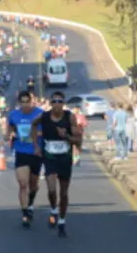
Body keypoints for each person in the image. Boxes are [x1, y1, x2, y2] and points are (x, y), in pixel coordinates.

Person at [31, 91, 82, 237]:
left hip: (65, 158)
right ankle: (54, 209)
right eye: (55, 101)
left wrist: (65, 136)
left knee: (64, 193)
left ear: (63, 103)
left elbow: (77, 140)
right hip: (50, 157)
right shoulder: (44, 116)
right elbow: (33, 126)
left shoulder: (69, 117)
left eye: (60, 101)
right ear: (51, 103)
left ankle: (62, 221)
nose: (58, 104)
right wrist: (36, 145)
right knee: (52, 189)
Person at [6, 90, 44, 227]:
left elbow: (47, 129)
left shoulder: (40, 114)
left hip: (36, 152)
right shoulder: (14, 115)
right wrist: (8, 134)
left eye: (27, 102)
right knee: (23, 184)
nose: (25, 105)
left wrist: (35, 133)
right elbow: (10, 125)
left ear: (31, 101)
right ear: (19, 103)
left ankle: (30, 204)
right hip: (21, 152)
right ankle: (25, 213)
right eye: (22, 102)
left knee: (33, 185)